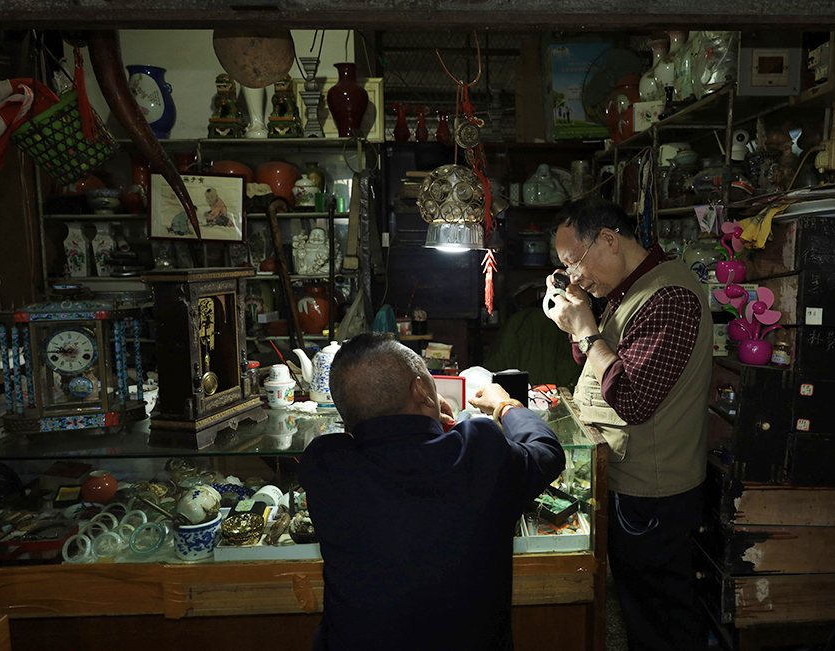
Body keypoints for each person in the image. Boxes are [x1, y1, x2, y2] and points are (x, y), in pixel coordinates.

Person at [297, 332, 566, 651]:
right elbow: (547, 450)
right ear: (421, 391)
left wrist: (423, 418)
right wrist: (504, 405)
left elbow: (362, 434)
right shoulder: (480, 449)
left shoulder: (325, 466)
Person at [545, 198, 713, 651]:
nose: (574, 278)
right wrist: (577, 318)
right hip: (629, 478)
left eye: (574, 263)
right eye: (565, 269)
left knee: (661, 619)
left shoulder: (670, 297)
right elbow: (601, 366)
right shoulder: (629, 289)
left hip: (653, 493)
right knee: (641, 610)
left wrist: (586, 330)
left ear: (608, 240)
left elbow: (633, 398)